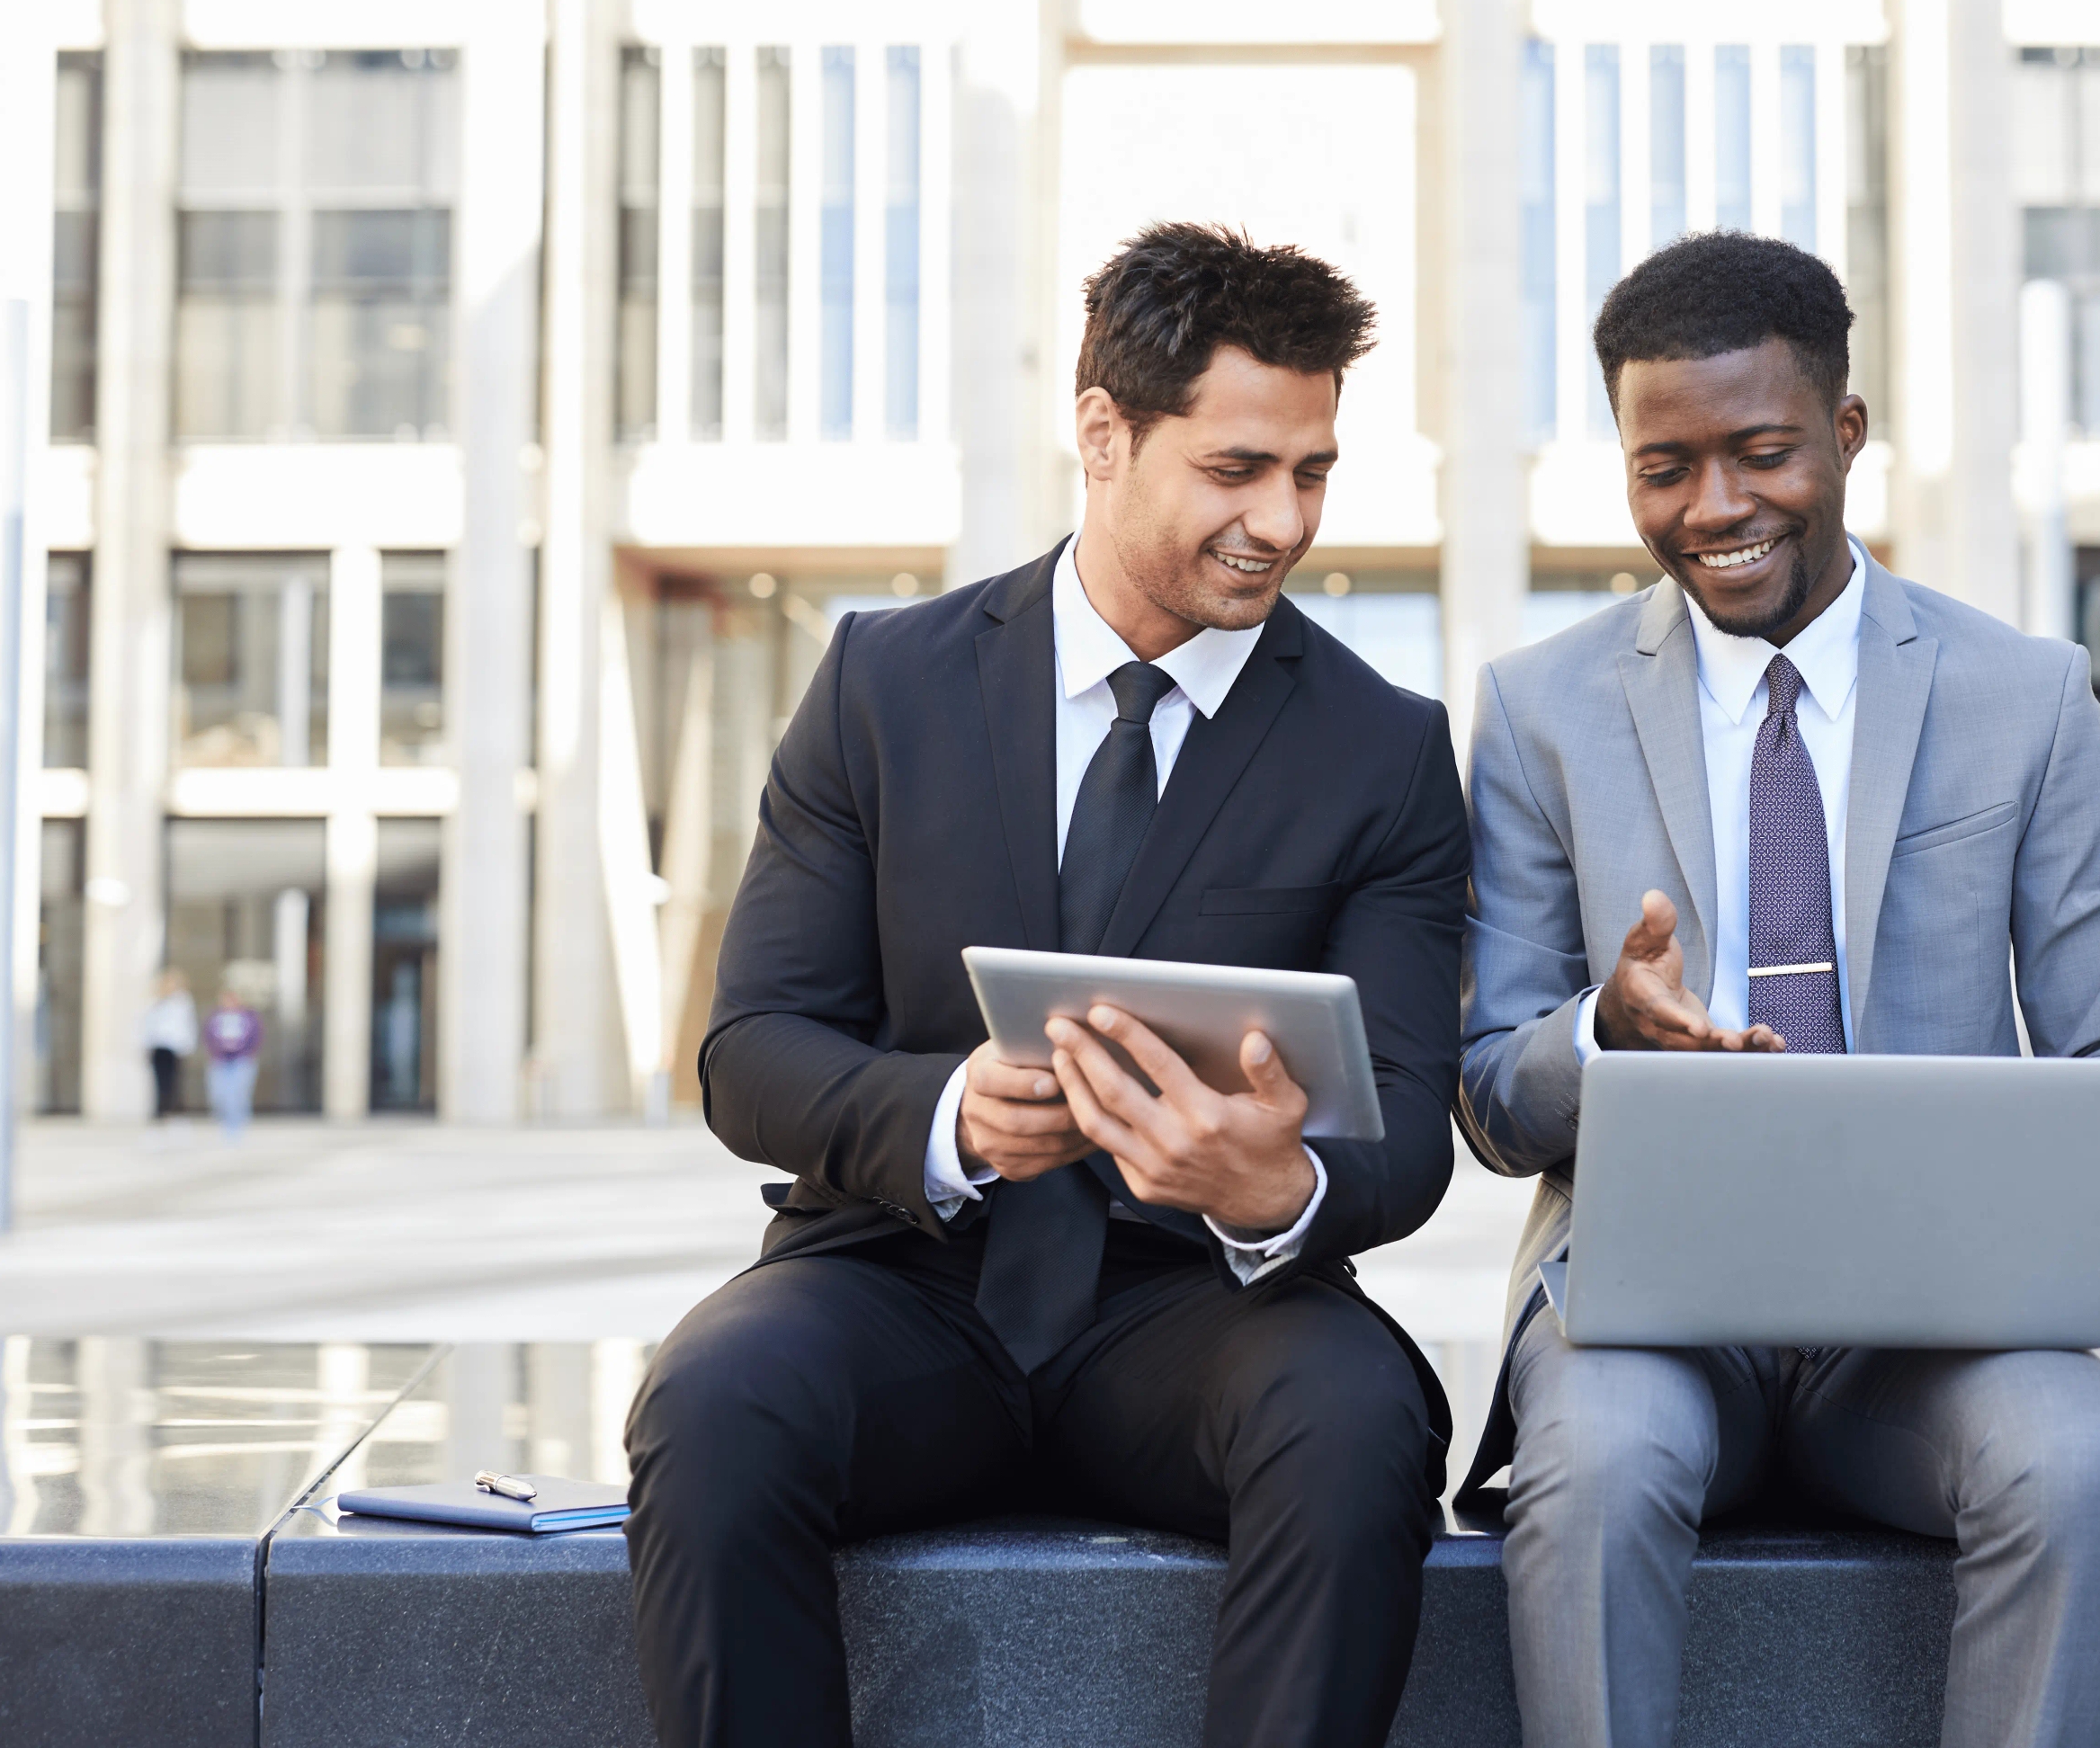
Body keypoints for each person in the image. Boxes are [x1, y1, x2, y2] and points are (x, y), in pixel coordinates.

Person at [623, 223, 1471, 1748]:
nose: (1282, 520)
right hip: (896, 1284)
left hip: (1198, 1314)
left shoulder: (1384, 748)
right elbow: (750, 1053)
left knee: (1356, 1420)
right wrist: (948, 1112)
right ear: (1101, 432)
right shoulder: (883, 682)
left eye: (1313, 472)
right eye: (1235, 470)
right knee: (711, 1406)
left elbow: (1409, 1133)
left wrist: (1273, 1185)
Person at [1455, 231, 2100, 1748]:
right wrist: (1602, 1036)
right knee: (1591, 1461)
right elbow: (1483, 1085)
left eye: (1759, 453)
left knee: (2071, 1459)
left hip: (1932, 1335)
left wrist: (2010, 1202)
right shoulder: (1541, 712)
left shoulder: (2022, 698)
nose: (1713, 507)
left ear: (1844, 436)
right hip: (1652, 1321)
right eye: (1663, 466)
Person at [203, 988, 264, 1141]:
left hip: (242, 1060)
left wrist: (247, 1052)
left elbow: (256, 1036)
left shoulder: (249, 1017)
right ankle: (225, 1124)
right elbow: (208, 1037)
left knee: (239, 1094)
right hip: (220, 1060)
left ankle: (237, 1128)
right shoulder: (215, 1017)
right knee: (220, 1094)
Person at [142, 969, 197, 1120]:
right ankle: (160, 1108)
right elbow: (147, 1025)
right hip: (158, 1045)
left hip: (174, 1045)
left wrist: (188, 1045)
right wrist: (145, 1044)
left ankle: (173, 1107)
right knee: (159, 1078)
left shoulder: (182, 1001)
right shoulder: (155, 1001)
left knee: (174, 1077)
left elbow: (187, 1024)